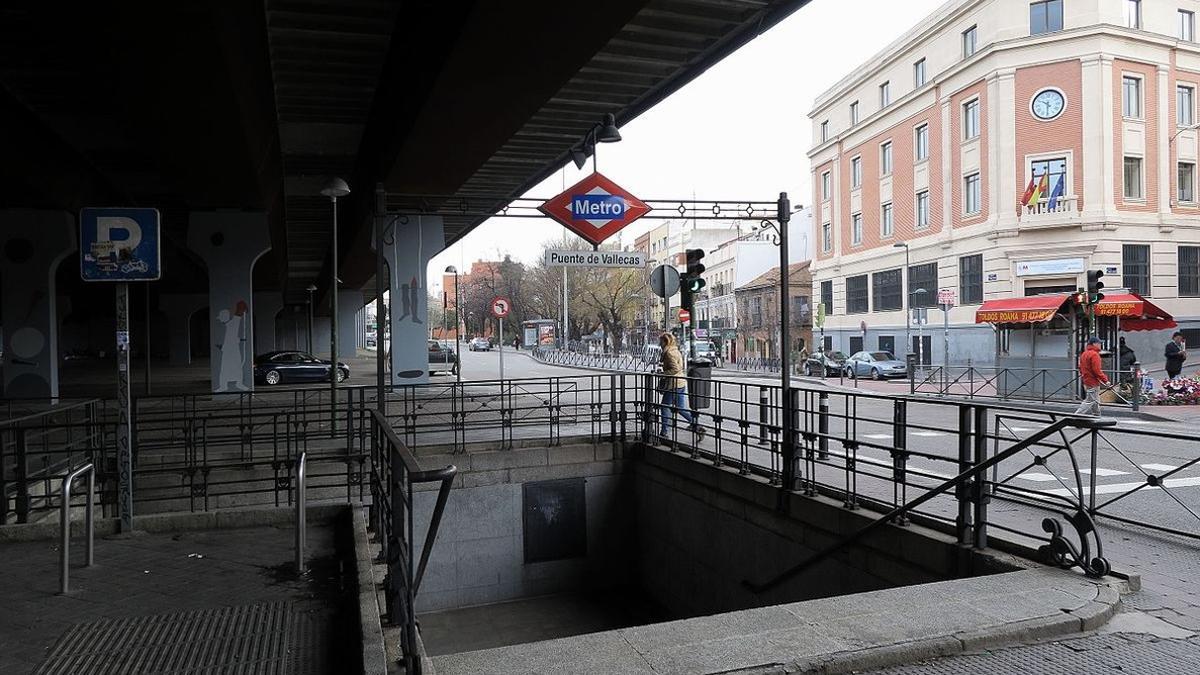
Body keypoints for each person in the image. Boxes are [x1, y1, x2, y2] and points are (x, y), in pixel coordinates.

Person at [658, 333, 706, 439]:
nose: (659, 343)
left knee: (665, 406)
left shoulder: (669, 353)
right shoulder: (675, 350)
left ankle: (664, 432)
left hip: (673, 384)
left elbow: (675, 369)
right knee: (680, 408)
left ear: (666, 342)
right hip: (680, 383)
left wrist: (662, 374)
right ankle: (697, 426)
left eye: (661, 341)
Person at [1075, 336, 1108, 416]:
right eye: (1099, 343)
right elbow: (1097, 370)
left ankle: (1096, 416)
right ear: (1094, 344)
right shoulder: (1094, 355)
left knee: (1095, 400)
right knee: (1090, 400)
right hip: (1093, 381)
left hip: (1086, 380)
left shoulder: (1084, 354)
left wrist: (1084, 376)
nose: (1100, 345)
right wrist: (1105, 380)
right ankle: (1076, 417)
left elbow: (1080, 367)